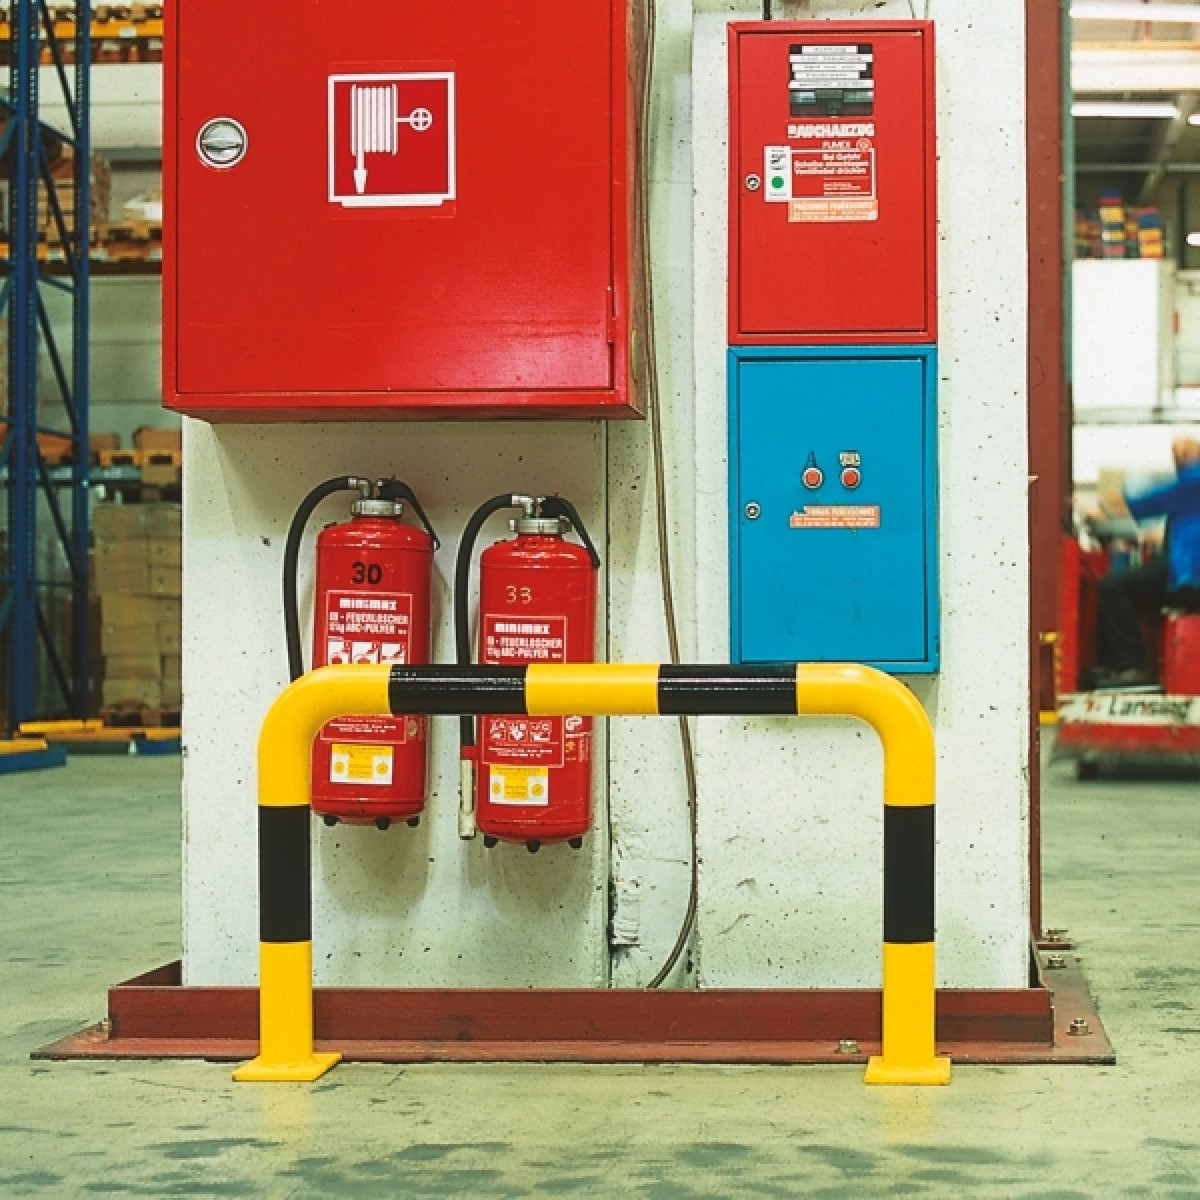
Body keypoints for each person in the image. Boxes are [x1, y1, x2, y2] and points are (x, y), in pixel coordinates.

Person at [1090, 433, 1200, 688]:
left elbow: (1147, 500)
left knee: (1114, 587)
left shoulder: (1194, 481)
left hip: (1190, 580)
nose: (1180, 461)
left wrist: (1099, 506)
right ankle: (1121, 664)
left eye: (1184, 455)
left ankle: (1132, 667)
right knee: (1139, 585)